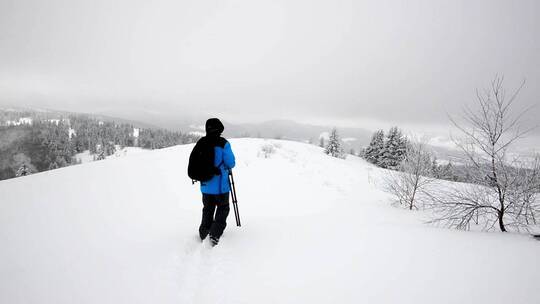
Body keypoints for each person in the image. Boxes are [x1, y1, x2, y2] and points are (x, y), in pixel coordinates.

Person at [198, 118, 236, 246]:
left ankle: (204, 232)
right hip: (221, 187)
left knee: (208, 209)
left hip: (205, 185)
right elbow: (231, 163)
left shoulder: (202, 142)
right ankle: (214, 234)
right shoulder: (224, 144)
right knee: (223, 209)